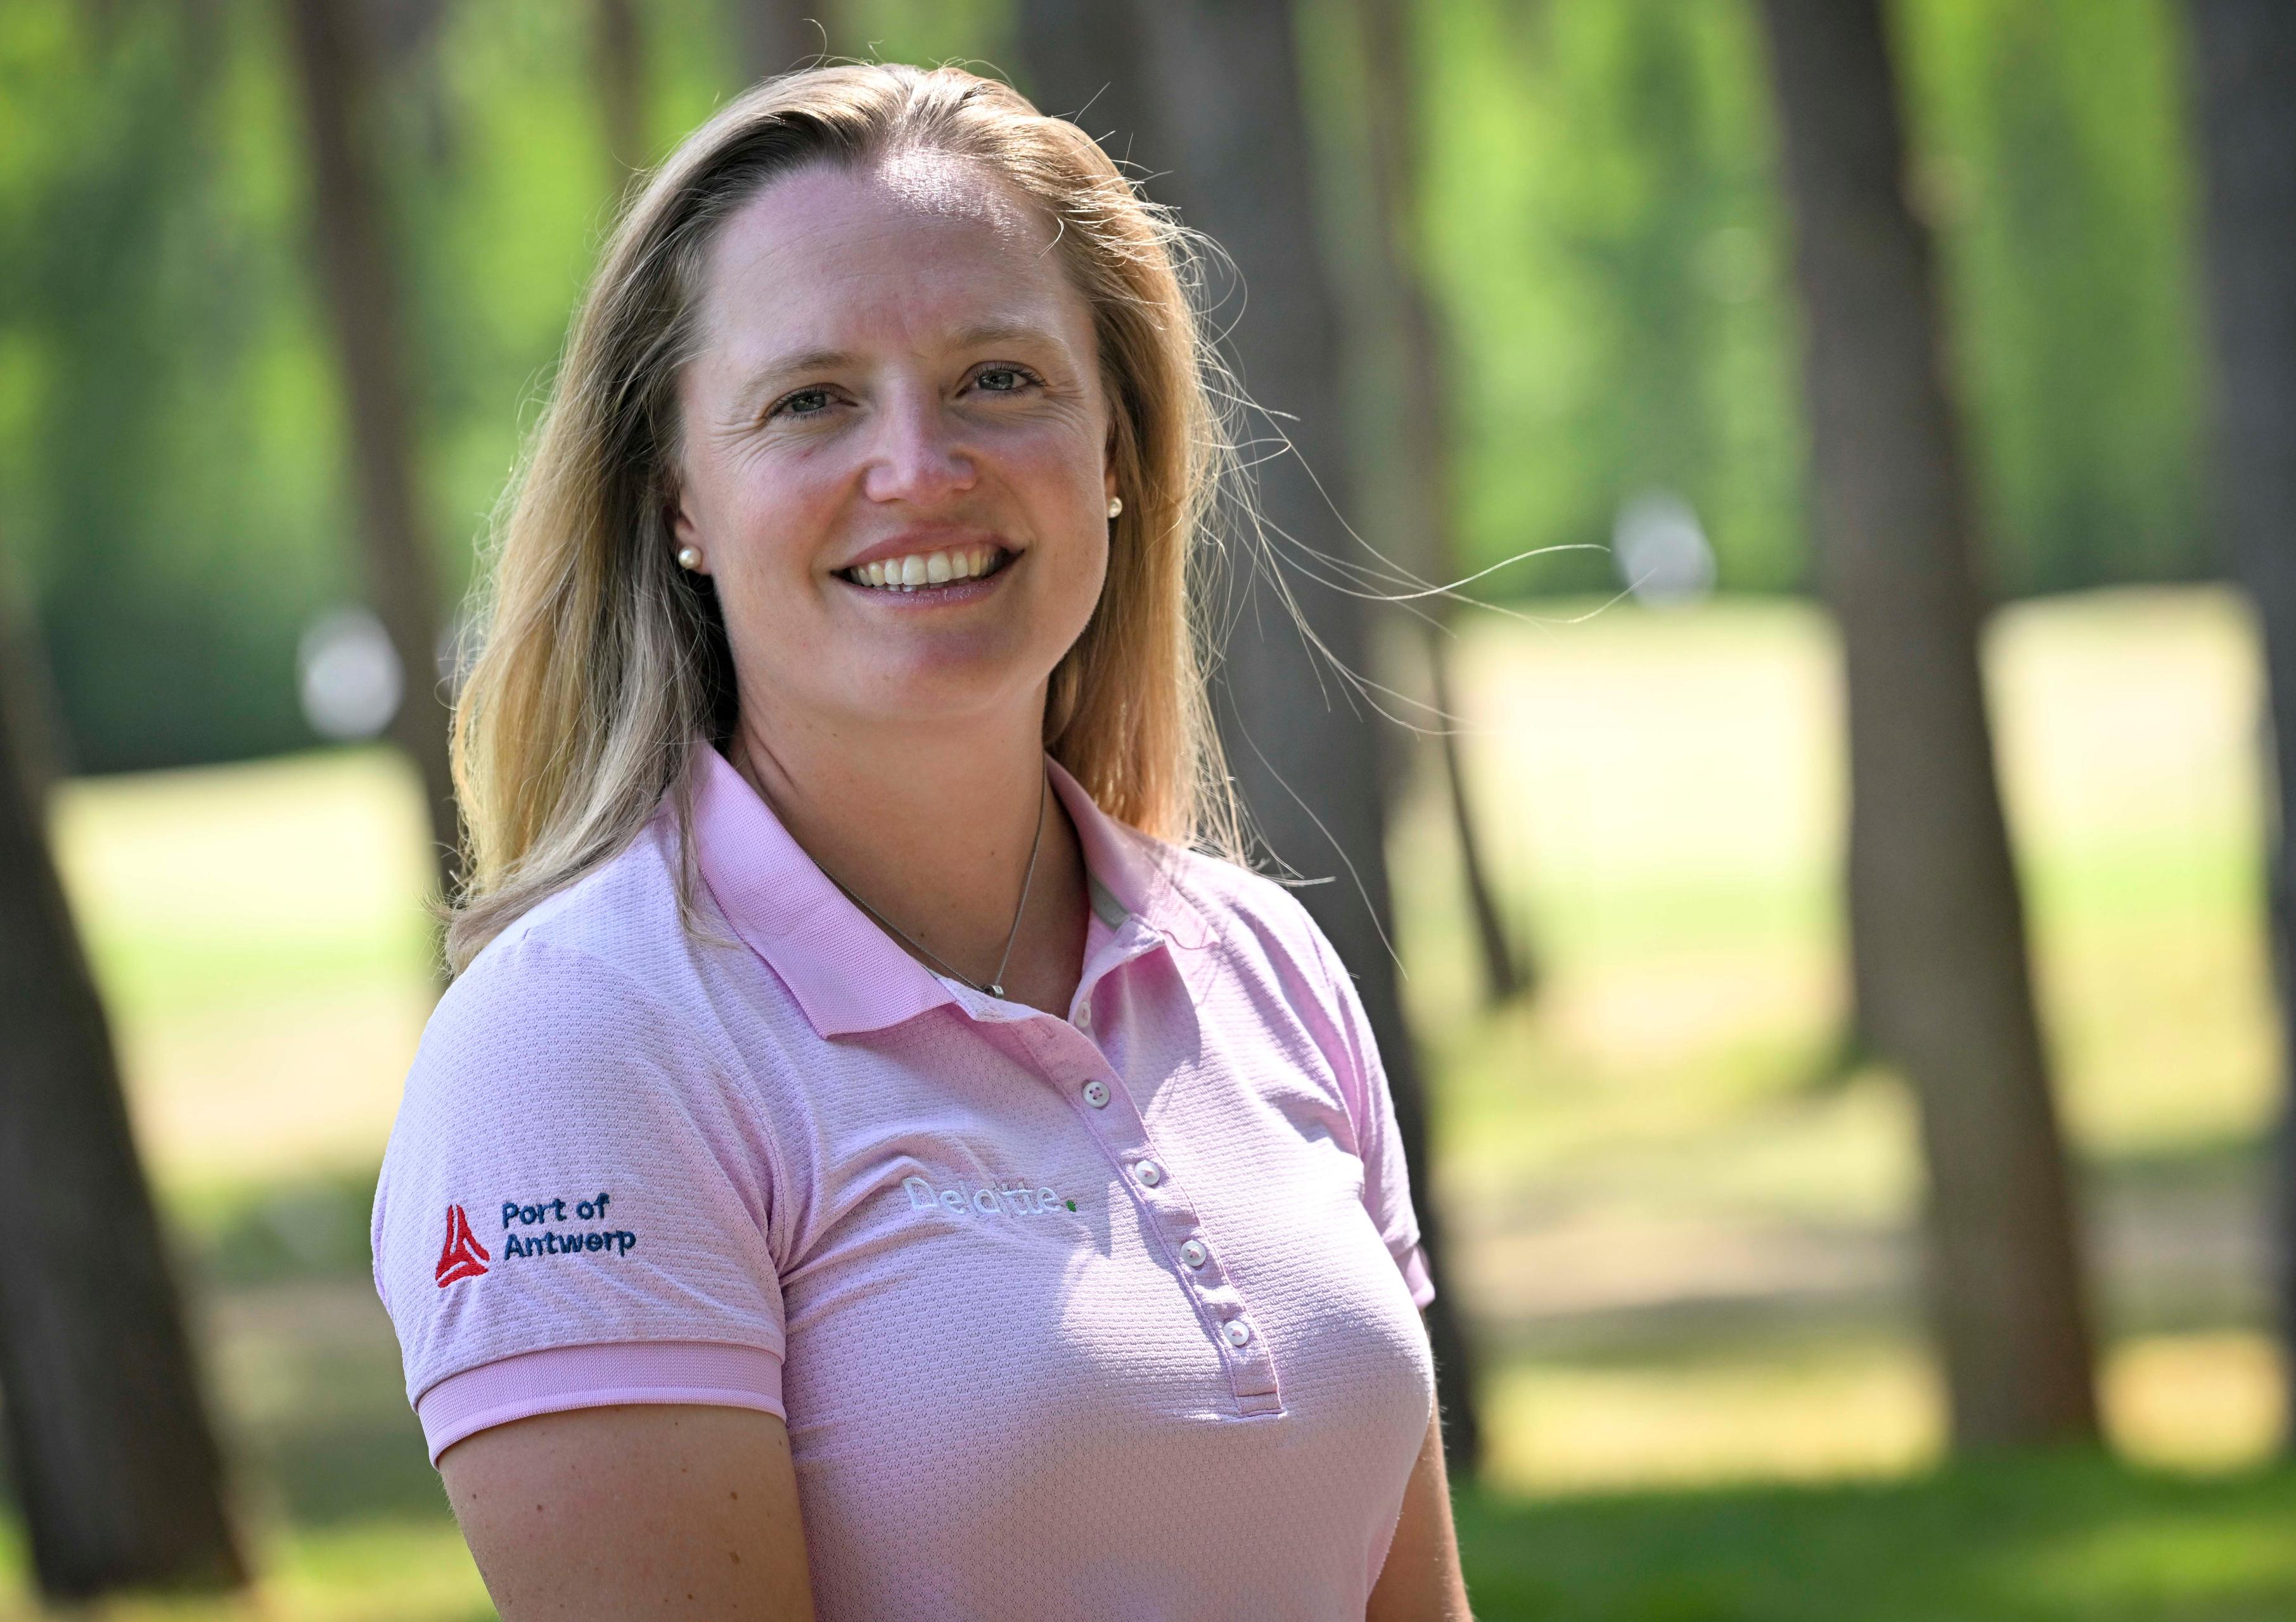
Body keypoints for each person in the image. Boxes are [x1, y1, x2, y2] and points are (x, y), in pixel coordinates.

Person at [369, 60, 1470, 1621]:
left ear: (1115, 449)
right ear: (678, 498)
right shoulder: (581, 1043)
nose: (919, 467)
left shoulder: (1261, 963)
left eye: (998, 378)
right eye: (811, 399)